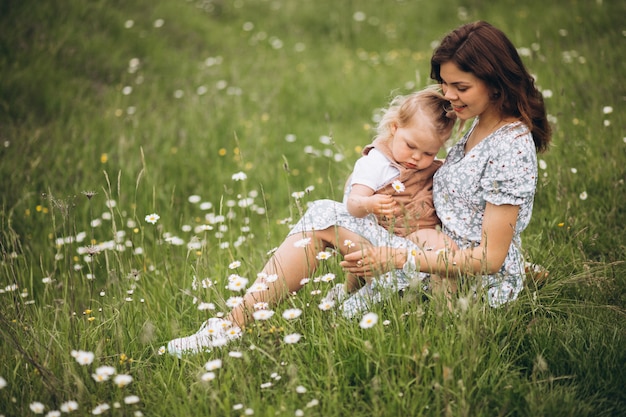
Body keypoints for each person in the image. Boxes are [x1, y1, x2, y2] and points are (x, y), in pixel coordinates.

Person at [167, 86, 458, 357]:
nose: (417, 158)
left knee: (434, 244)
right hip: (382, 238)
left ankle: (437, 325)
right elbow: (354, 204)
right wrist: (370, 203)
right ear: (394, 128)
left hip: (407, 247)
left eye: (429, 152)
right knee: (324, 213)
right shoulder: (377, 162)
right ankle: (235, 323)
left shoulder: (430, 166)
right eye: (411, 146)